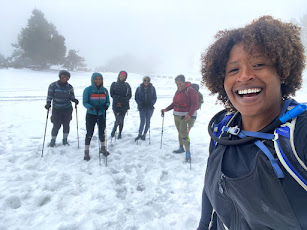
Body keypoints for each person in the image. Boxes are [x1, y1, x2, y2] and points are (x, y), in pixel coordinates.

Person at [197, 16, 307, 230]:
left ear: (282, 72)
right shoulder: (222, 129)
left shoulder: (299, 134)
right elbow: (210, 195)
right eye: (233, 70)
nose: (245, 76)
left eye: (259, 64)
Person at [161, 74, 199, 162]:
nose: (178, 86)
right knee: (180, 132)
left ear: (184, 82)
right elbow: (174, 103)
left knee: (184, 133)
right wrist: (166, 109)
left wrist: (189, 114)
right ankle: (181, 147)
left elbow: (195, 104)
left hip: (186, 116)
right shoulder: (178, 91)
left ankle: (188, 152)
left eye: (180, 84)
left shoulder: (191, 90)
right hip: (177, 115)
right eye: (177, 84)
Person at [45, 70, 78, 147]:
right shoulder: (53, 86)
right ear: (60, 76)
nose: (65, 78)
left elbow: (71, 96)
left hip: (67, 108)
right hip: (56, 108)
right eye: (63, 76)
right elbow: (49, 96)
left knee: (66, 124)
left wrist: (74, 100)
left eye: (67, 77)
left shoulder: (70, 87)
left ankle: (65, 140)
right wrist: (48, 103)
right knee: (56, 125)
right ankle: (53, 140)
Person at [82, 72, 110, 161]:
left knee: (102, 131)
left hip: (102, 114)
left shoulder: (105, 90)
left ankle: (102, 148)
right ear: (93, 80)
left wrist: (106, 106)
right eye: (96, 79)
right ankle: (86, 151)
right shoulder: (88, 90)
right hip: (91, 114)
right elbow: (85, 102)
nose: (98, 81)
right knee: (89, 132)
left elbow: (108, 101)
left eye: (100, 79)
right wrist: (92, 107)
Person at [110, 70, 132, 139]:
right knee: (117, 119)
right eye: (121, 75)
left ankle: (120, 132)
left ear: (125, 77)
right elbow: (112, 94)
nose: (122, 77)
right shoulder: (114, 84)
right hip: (115, 105)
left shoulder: (127, 85)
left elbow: (129, 96)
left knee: (121, 120)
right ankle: (114, 129)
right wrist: (118, 100)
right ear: (119, 75)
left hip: (124, 105)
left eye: (124, 76)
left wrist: (122, 101)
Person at [134, 76, 157, 141]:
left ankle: (144, 134)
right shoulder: (139, 88)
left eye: (148, 81)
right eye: (145, 80)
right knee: (142, 121)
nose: (146, 82)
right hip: (142, 108)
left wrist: (151, 104)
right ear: (143, 80)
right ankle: (139, 134)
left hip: (150, 108)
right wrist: (141, 104)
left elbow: (155, 98)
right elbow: (136, 98)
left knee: (147, 121)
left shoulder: (152, 88)